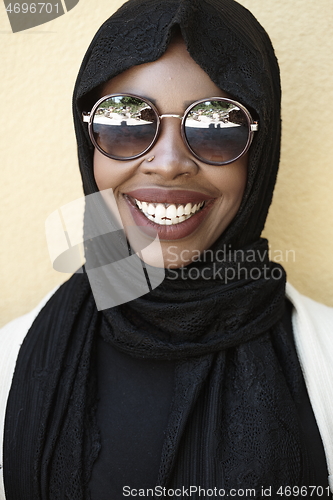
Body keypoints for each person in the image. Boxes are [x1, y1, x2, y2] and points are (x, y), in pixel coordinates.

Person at [1, 0, 333, 499]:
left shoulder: (326, 360)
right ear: (87, 141)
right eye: (126, 121)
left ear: (260, 156)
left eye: (217, 124)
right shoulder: (9, 361)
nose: (169, 163)